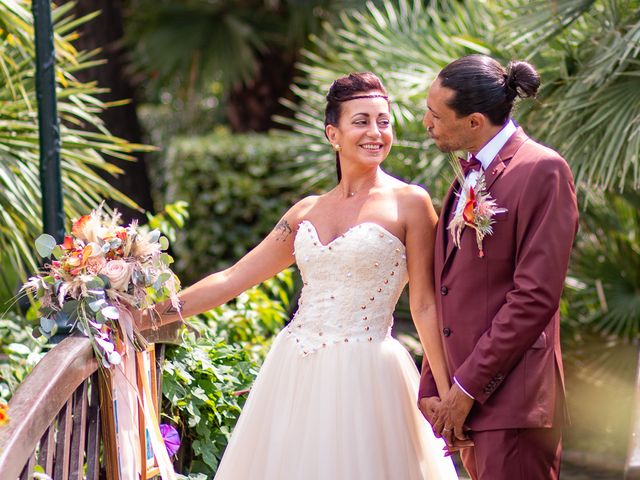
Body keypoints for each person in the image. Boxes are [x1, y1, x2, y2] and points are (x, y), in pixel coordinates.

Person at [136, 72, 459, 479]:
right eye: (361, 121)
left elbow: (426, 304)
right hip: (295, 369)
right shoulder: (306, 211)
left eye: (384, 121)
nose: (376, 132)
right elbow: (234, 278)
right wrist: (149, 316)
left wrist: (448, 392)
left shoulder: (410, 203)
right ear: (333, 134)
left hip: (369, 373)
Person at [418, 54, 579, 480]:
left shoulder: (543, 169)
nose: (425, 122)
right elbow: (450, 290)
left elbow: (535, 297)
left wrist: (467, 387)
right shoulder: (464, 179)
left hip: (513, 406)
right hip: (467, 407)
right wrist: (434, 385)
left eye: (435, 114)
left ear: (474, 122)